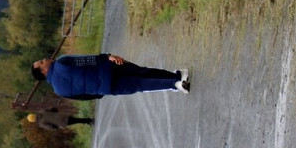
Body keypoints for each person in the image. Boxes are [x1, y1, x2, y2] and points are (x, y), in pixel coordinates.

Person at [31, 54, 190, 99]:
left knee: (141, 85)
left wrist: (100, 91)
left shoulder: (60, 91)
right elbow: (87, 60)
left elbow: (85, 97)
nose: (45, 59)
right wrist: (108, 57)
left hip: (107, 87)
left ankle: (175, 85)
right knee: (142, 72)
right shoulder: (61, 62)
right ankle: (176, 76)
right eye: (42, 62)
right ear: (43, 71)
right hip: (108, 69)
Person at [27, 111, 94, 130]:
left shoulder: (41, 123)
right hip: (62, 115)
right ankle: (88, 121)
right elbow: (53, 109)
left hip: (61, 122)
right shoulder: (41, 111)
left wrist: (56, 128)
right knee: (76, 120)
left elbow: (50, 127)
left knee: (76, 121)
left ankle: (89, 120)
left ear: (33, 121)